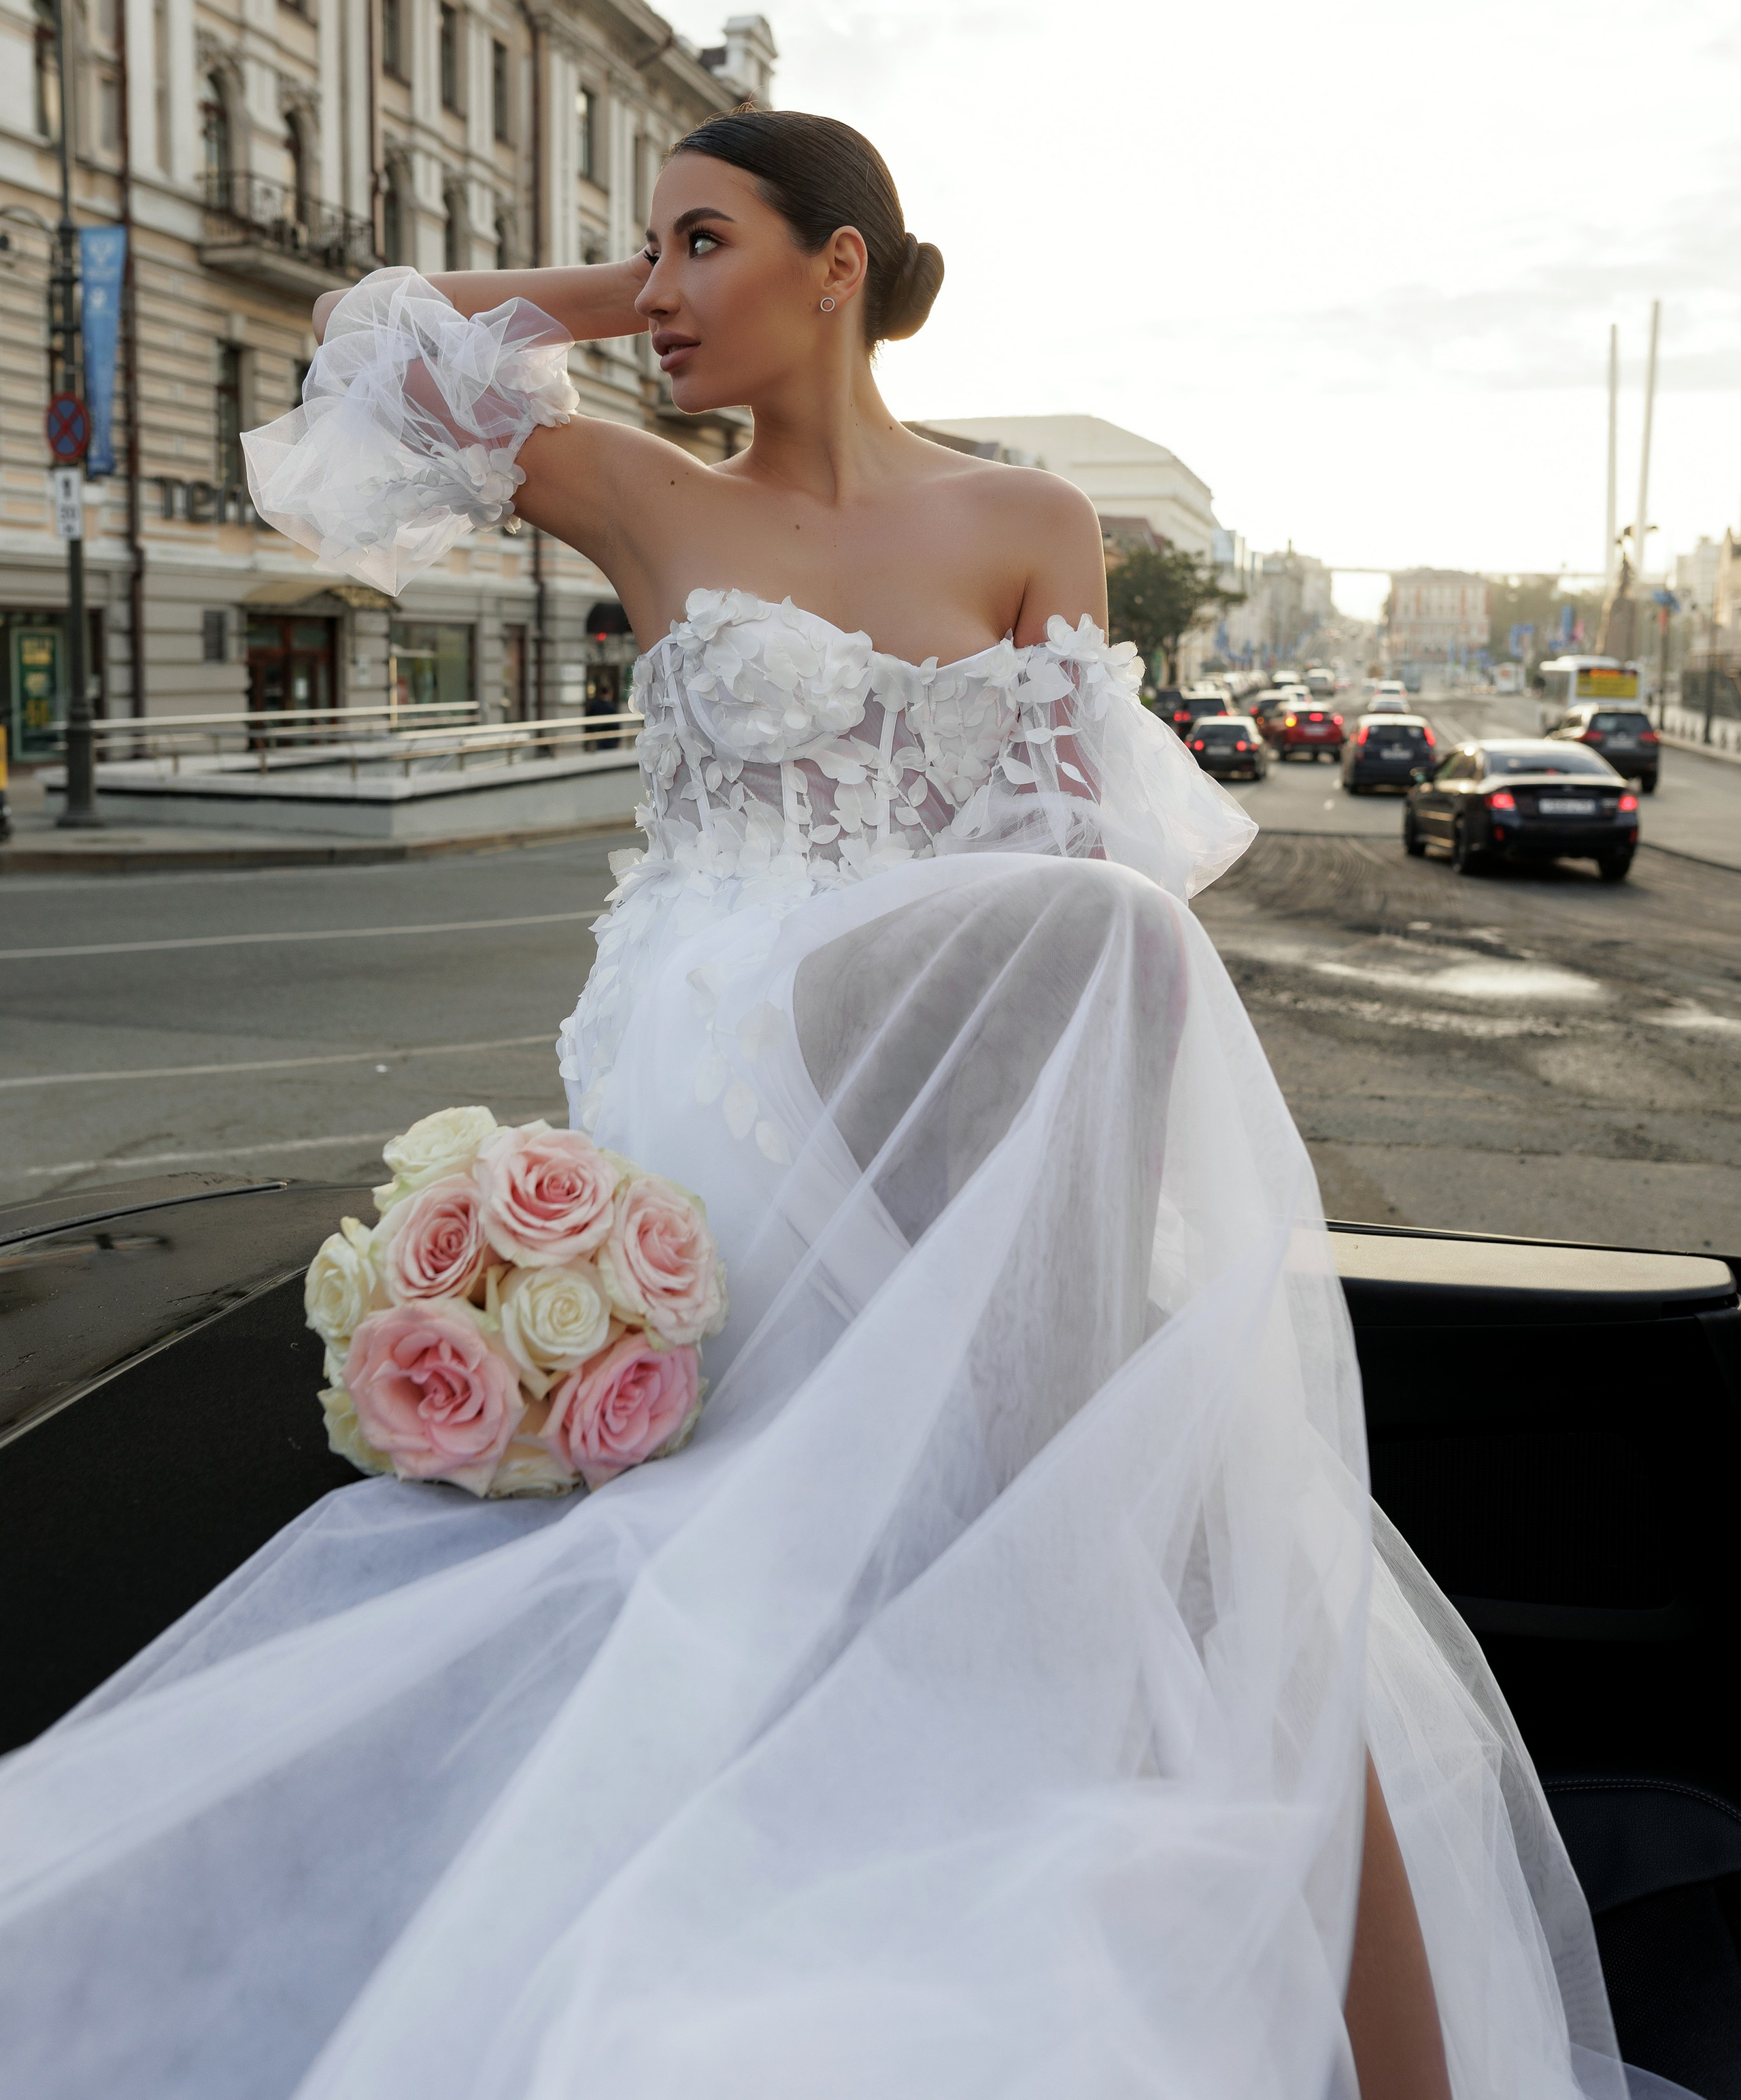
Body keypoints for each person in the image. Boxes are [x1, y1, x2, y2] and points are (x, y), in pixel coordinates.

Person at [0, 112, 1668, 2099]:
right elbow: (372, 360)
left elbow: (1095, 900)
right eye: (651, 250)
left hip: (957, 1113)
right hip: (711, 1096)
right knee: (759, 1573)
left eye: (708, 241)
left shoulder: (1031, 519)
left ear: (842, 265)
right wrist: (636, 290)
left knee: (1201, 1561)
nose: (664, 290)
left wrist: (1078, 1208)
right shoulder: (637, 487)